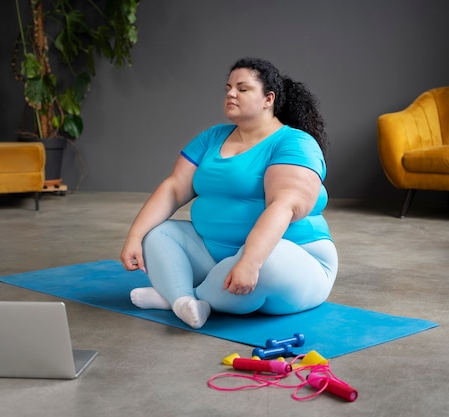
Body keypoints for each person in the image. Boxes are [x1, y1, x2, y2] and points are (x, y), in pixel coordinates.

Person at [120, 57, 338, 329]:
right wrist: (135, 236)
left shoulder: (294, 142)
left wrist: (250, 261)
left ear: (268, 99)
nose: (231, 93)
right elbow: (174, 188)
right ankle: (185, 300)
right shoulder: (212, 137)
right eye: (228, 88)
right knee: (157, 234)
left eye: (243, 89)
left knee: (269, 263)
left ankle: (176, 297)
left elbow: (284, 205)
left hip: (295, 260)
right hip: (216, 257)